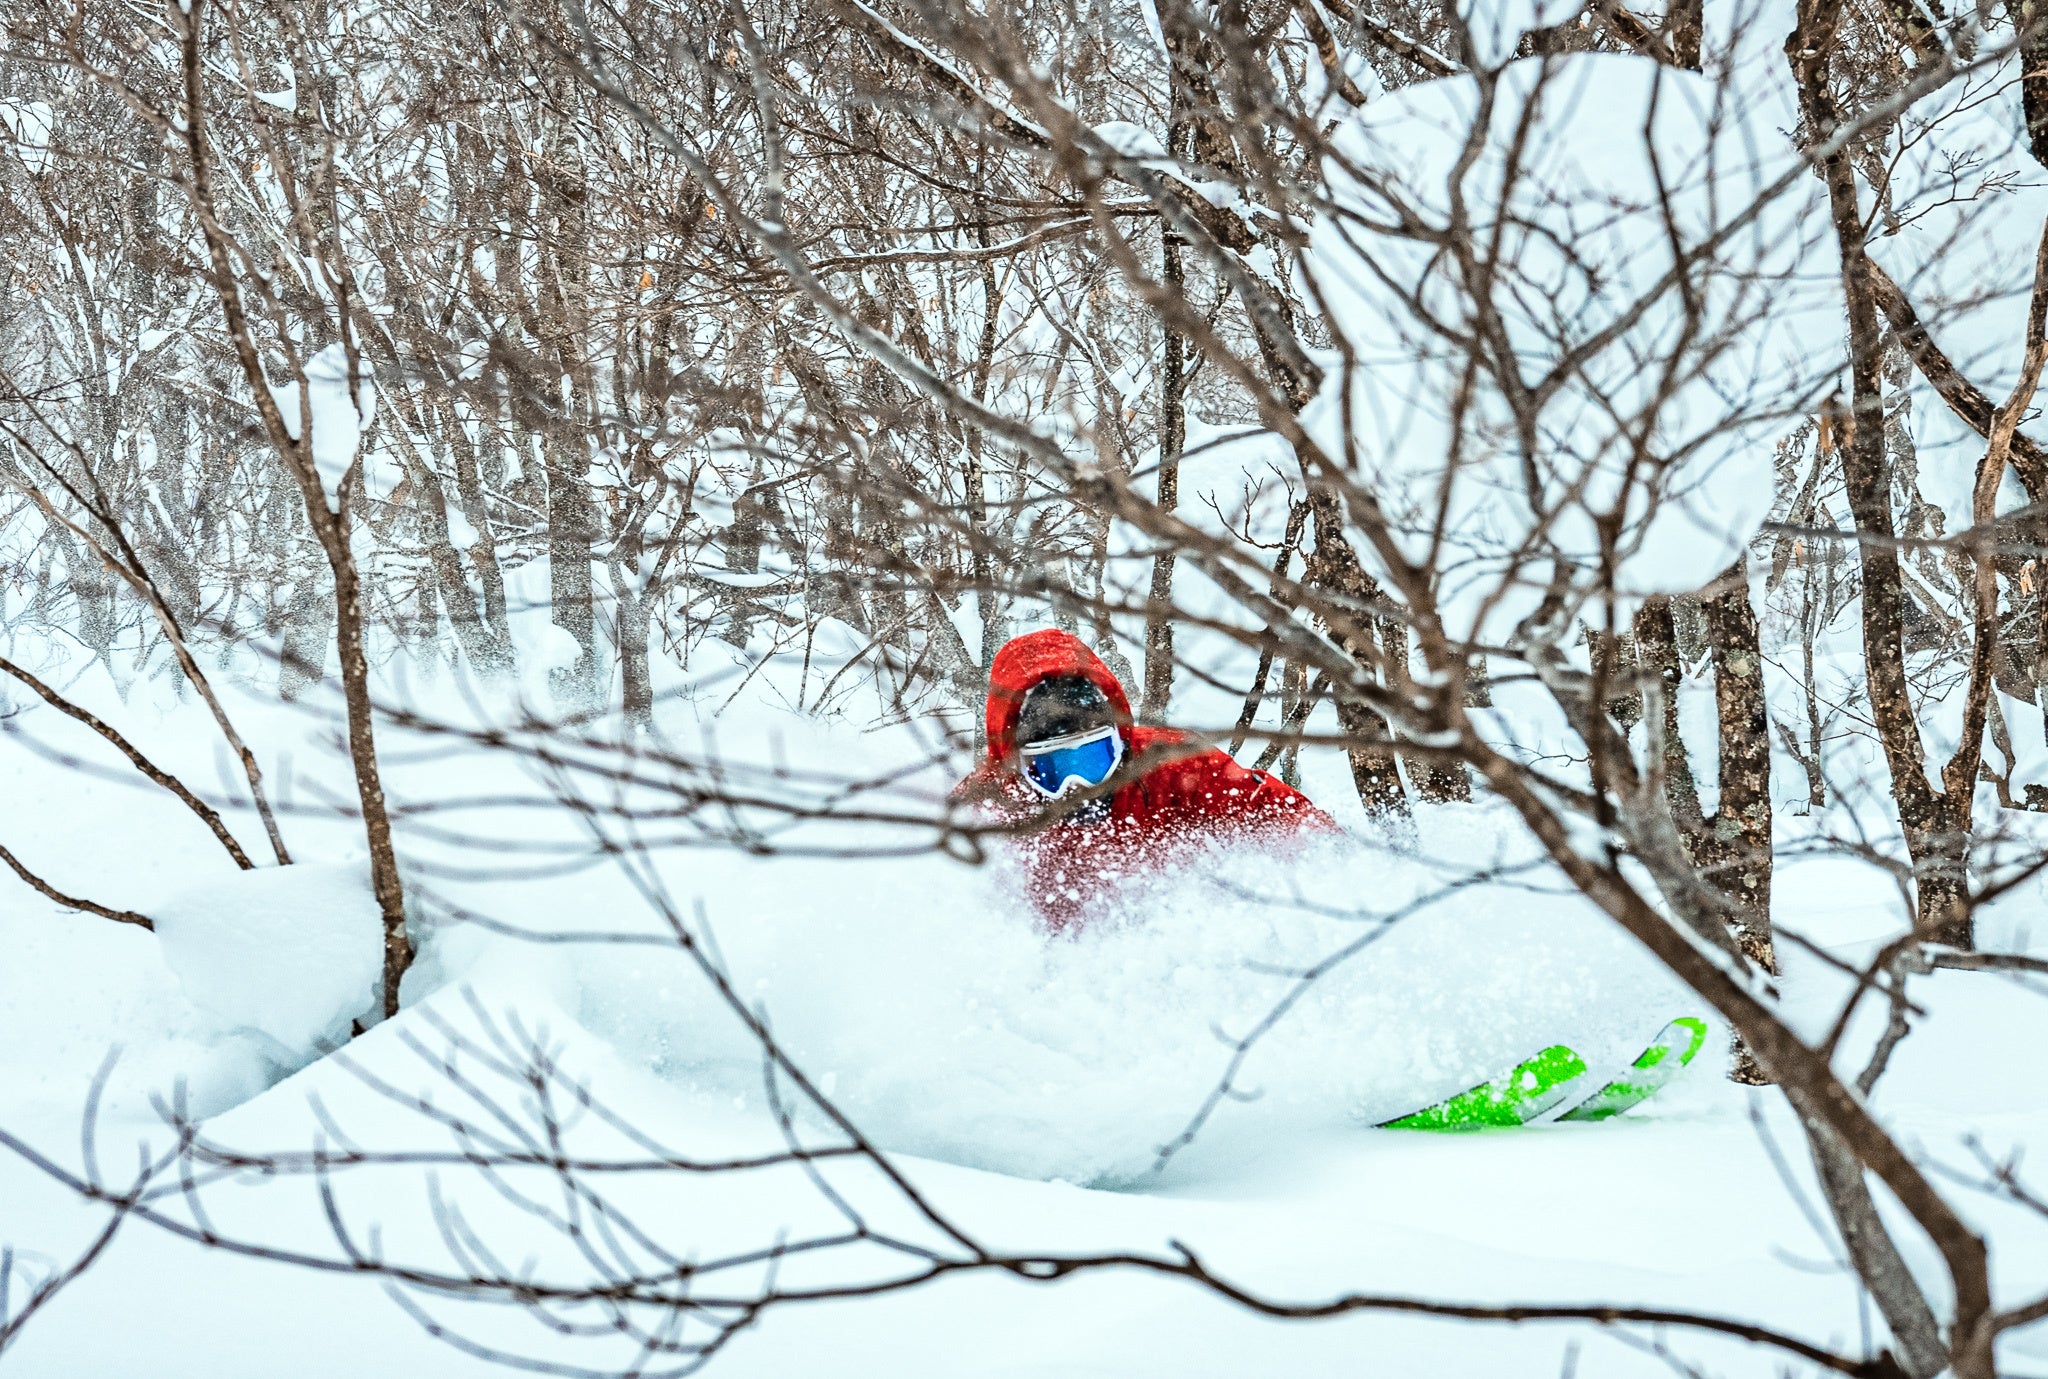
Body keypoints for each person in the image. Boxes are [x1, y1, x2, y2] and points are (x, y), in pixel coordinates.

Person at [955, 628, 1337, 929]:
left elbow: (1282, 813)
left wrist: (1336, 869)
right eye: (1050, 771)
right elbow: (939, 899)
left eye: (1093, 760)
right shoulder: (989, 811)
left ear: (1119, 743)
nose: (1077, 788)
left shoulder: (1176, 767)